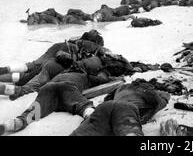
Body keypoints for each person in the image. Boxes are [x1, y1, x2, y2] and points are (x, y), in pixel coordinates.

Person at [0, 54, 133, 135]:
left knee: (32, 112)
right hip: (68, 88)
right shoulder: (85, 77)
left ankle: (14, 123)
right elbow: (104, 82)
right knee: (82, 105)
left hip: (48, 88)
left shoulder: (62, 73)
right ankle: (92, 118)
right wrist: (119, 79)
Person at [0, 30, 106, 86]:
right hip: (63, 52)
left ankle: (4, 70)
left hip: (57, 46)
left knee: (31, 65)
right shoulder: (95, 47)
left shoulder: (79, 39)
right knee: (32, 74)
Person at [70, 79, 170, 136]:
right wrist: (162, 95)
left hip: (105, 110)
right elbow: (160, 101)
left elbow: (107, 98)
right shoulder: (147, 92)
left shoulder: (121, 88)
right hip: (125, 111)